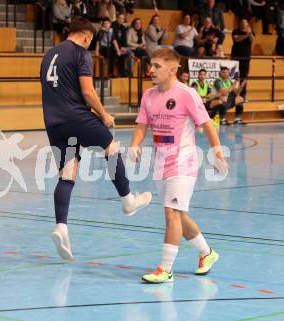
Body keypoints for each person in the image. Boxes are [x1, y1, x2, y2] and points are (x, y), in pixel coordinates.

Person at [40, 17, 152, 261]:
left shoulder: (49, 55)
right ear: (87, 37)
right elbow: (88, 91)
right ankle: (128, 200)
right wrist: (104, 114)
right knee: (111, 146)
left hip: (52, 121)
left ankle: (61, 226)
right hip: (75, 115)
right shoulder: (81, 53)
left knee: (68, 172)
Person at [129, 48, 227, 283]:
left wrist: (217, 154)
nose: (151, 70)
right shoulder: (148, 96)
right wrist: (134, 145)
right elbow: (142, 124)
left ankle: (165, 269)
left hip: (184, 163)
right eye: (151, 65)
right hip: (161, 164)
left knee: (171, 212)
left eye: (157, 66)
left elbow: (207, 124)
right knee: (179, 216)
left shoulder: (187, 94)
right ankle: (207, 253)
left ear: (173, 69)